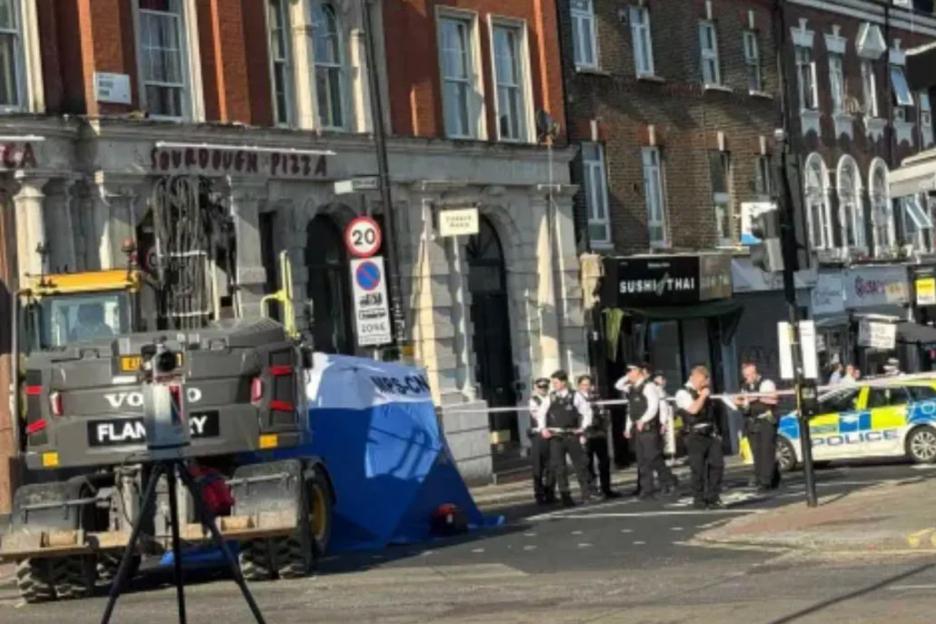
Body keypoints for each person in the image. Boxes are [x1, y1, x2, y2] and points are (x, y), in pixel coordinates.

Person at [625, 363, 677, 500]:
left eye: (631, 371)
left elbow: (653, 406)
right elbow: (631, 410)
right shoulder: (631, 389)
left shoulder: (649, 386)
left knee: (653, 457)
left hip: (648, 427)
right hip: (637, 428)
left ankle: (669, 480)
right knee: (642, 461)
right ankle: (647, 490)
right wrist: (628, 427)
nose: (628, 374)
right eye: (628, 371)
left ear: (639, 372)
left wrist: (644, 420)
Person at [675, 365, 724, 510]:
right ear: (694, 377)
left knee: (717, 465)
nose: (704, 385)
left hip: (710, 433)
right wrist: (702, 396)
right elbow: (693, 409)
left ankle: (713, 497)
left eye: (705, 382)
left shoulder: (705, 392)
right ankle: (699, 499)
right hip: (694, 435)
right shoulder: (682, 393)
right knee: (698, 469)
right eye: (702, 381)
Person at [542, 370, 592, 507]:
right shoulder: (551, 397)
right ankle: (566, 497)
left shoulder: (575, 396)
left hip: (571, 435)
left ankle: (586, 494)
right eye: (553, 383)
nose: (554, 385)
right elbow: (541, 413)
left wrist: (583, 428)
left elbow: (587, 412)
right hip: (556, 437)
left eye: (556, 382)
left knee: (580, 466)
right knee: (559, 468)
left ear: (564, 382)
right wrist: (543, 428)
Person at [735, 362, 779, 492]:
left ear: (755, 373)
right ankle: (760, 478)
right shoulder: (745, 386)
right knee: (756, 452)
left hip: (765, 420)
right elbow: (739, 400)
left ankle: (766, 481)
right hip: (752, 422)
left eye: (749, 375)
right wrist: (742, 401)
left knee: (766, 451)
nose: (747, 378)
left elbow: (772, 399)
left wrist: (751, 398)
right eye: (745, 375)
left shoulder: (766, 383)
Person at [578, 375, 620, 499]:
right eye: (584, 385)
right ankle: (592, 489)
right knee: (588, 463)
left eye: (589, 385)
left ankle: (606, 488)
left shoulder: (596, 398)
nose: (587, 387)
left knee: (604, 462)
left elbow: (604, 413)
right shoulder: (577, 398)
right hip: (586, 433)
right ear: (579, 385)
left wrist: (605, 426)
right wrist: (581, 433)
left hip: (599, 433)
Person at [528, 377, 555, 505]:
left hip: (552, 434)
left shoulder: (552, 399)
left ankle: (550, 493)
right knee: (538, 466)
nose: (543, 389)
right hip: (538, 436)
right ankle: (539, 494)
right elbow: (537, 415)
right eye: (540, 387)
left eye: (545, 387)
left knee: (552, 465)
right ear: (535, 388)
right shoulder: (533, 400)